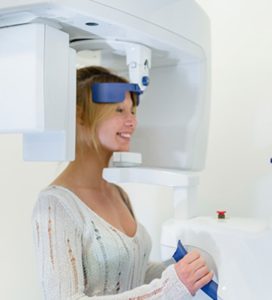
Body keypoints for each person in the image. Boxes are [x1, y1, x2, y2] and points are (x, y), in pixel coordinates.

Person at [32, 66, 213, 299]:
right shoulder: (54, 206)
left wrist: (180, 268)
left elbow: (131, 271)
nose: (132, 122)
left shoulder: (117, 193)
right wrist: (169, 288)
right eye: (119, 110)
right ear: (80, 116)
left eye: (132, 111)